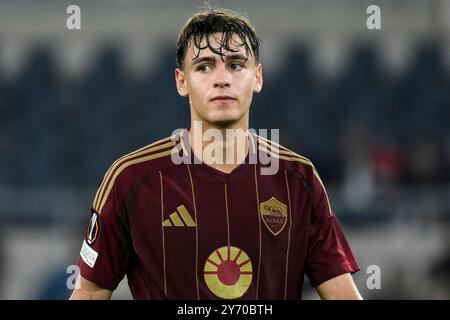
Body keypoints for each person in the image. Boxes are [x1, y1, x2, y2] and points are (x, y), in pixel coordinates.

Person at [70, 8, 362, 300]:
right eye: (204, 67)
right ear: (181, 81)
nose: (222, 79)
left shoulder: (299, 179)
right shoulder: (130, 179)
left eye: (235, 65)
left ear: (257, 77)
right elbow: (90, 291)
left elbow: (341, 294)